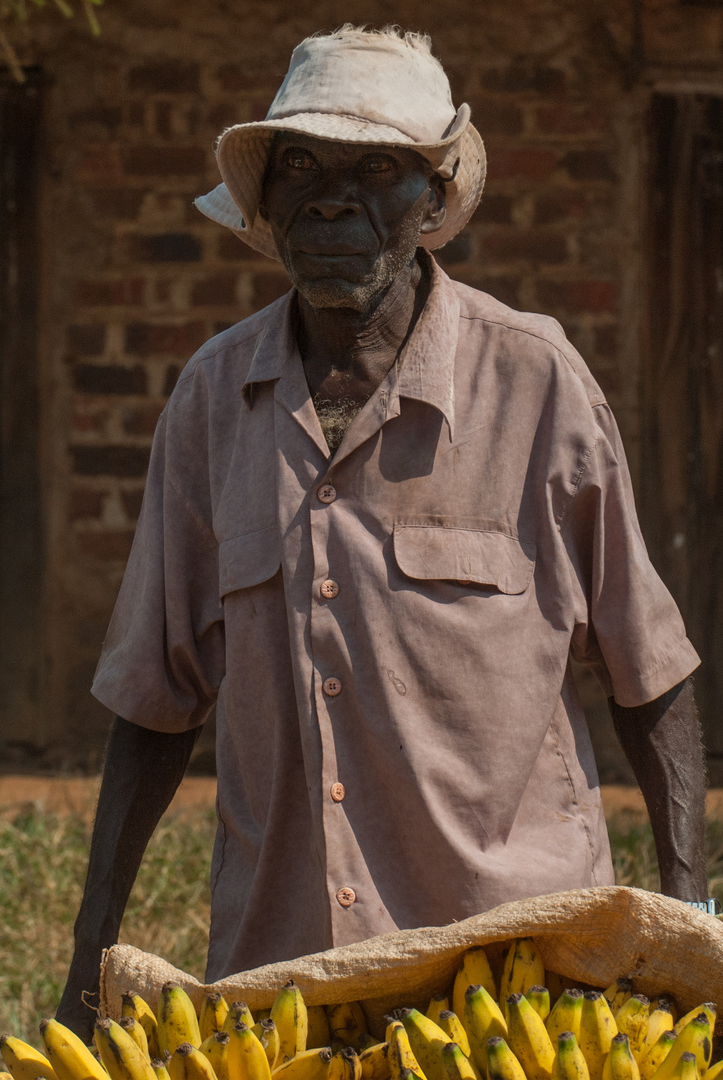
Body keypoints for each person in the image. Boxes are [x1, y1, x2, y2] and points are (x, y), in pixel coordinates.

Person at [57, 25, 707, 1041]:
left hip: (524, 985)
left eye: (376, 171)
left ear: (435, 203)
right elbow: (153, 698)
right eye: (301, 167)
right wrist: (86, 967)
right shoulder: (212, 401)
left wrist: (688, 931)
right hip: (288, 989)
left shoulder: (533, 382)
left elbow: (649, 671)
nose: (329, 198)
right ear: (265, 205)